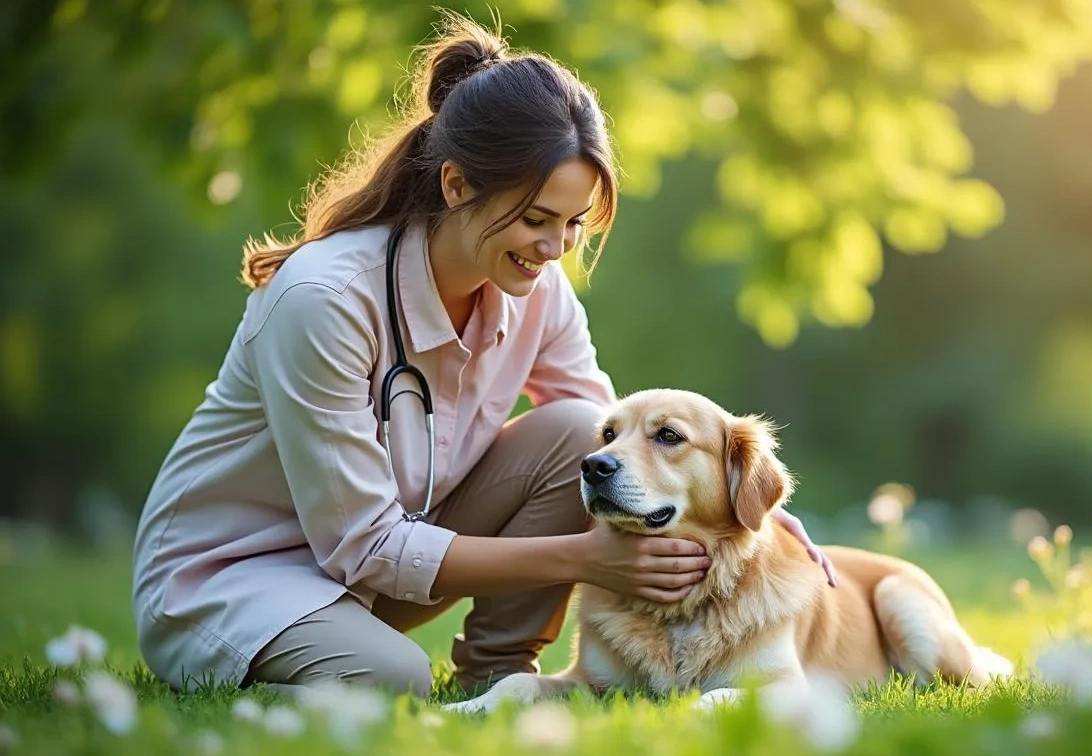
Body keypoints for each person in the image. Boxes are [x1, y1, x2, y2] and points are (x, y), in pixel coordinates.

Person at [130, 13, 836, 699]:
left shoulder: (538, 287)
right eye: (535, 219)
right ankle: (291, 673)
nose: (555, 248)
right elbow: (364, 543)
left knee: (581, 428)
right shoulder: (324, 299)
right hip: (231, 581)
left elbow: (615, 446)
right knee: (390, 678)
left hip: (368, 579)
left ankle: (496, 674)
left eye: (573, 224)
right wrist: (583, 559)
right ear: (456, 184)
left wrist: (748, 517)